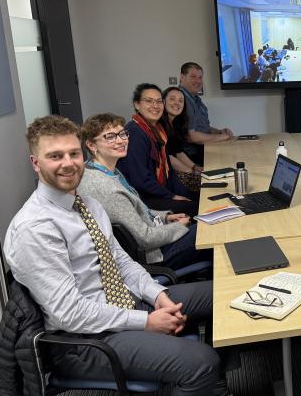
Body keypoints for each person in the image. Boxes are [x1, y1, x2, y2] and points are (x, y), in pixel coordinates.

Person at [3, 115, 240, 396]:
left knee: (225, 295)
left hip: (120, 305)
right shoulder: (34, 228)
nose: (68, 163)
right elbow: (68, 314)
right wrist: (146, 321)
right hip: (83, 341)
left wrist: (157, 296)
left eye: (73, 154)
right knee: (201, 362)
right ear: (36, 162)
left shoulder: (86, 204)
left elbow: (123, 263)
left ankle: (212, 395)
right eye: (55, 156)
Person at [79, 112, 210, 272]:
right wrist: (179, 227)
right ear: (92, 145)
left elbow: (138, 211)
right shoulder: (106, 188)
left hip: (155, 237)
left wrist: (165, 217)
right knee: (213, 228)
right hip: (155, 256)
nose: (120, 140)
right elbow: (145, 239)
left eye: (122, 134)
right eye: (110, 137)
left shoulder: (101, 168)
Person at [116, 83, 198, 216]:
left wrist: (182, 193)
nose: (155, 106)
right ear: (137, 104)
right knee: (198, 207)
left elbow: (169, 172)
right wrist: (171, 196)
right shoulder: (134, 133)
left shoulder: (158, 130)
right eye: (148, 101)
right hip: (144, 199)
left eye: (159, 101)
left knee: (201, 196)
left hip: (159, 191)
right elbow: (140, 180)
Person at [178, 62, 234, 164]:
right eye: (193, 77)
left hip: (204, 150)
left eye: (200, 77)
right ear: (182, 77)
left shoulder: (196, 100)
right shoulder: (181, 99)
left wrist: (219, 131)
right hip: (192, 157)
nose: (198, 81)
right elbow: (192, 136)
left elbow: (202, 128)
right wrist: (222, 137)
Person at [162, 86, 205, 193]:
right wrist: (189, 171)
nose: (177, 103)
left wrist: (195, 167)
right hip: (168, 175)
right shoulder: (160, 125)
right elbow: (168, 157)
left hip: (177, 168)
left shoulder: (176, 123)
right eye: (172, 99)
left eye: (181, 101)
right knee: (205, 187)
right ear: (163, 102)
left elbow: (178, 152)